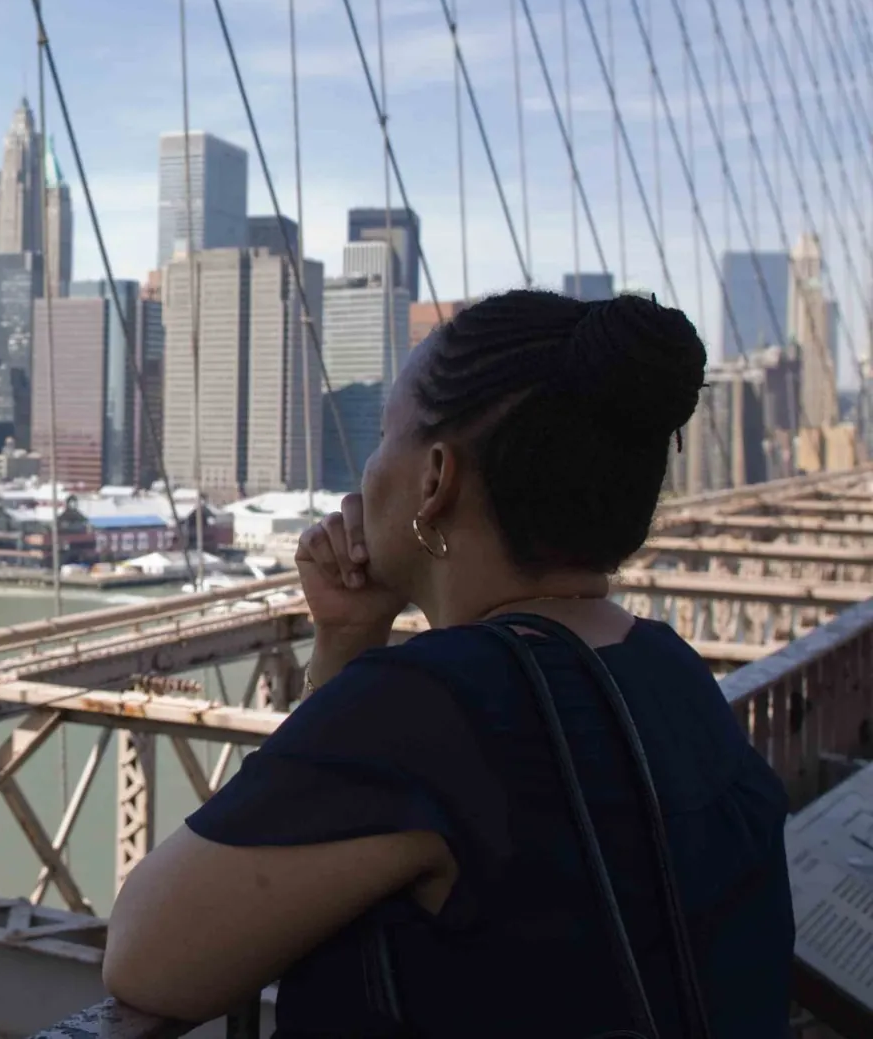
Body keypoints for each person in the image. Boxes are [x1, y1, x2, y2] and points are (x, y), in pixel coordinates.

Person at [104, 290, 793, 1037]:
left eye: (383, 434)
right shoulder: (672, 671)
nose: (367, 471)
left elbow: (145, 956)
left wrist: (353, 661)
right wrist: (349, 638)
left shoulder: (433, 702)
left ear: (434, 480)